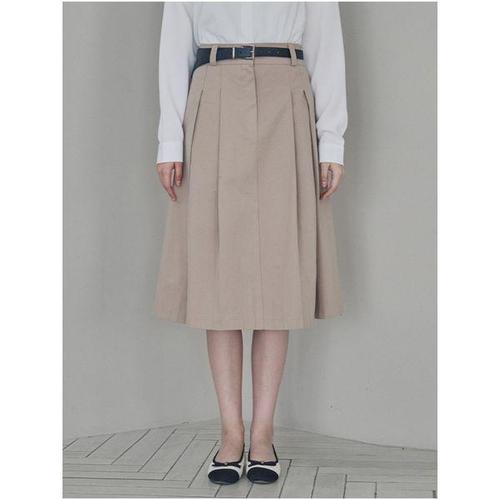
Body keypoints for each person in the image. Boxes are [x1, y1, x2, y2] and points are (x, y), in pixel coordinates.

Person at [154, 1, 347, 485]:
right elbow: (174, 46)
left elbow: (326, 45)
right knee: (217, 275)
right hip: (213, 92)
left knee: (277, 276)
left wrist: (332, 140)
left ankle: (262, 434)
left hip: (286, 95)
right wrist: (168, 141)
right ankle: (230, 433)